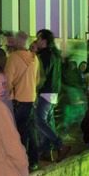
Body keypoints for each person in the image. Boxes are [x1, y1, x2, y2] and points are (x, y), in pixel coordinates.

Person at [33, 29, 71, 163]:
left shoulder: (45, 56)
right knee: (48, 121)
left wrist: (35, 89)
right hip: (54, 91)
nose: (36, 41)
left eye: (38, 39)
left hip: (46, 91)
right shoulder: (55, 54)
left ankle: (60, 145)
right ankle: (46, 151)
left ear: (44, 40)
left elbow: (42, 76)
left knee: (39, 120)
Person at [4, 31, 39, 171]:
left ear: (18, 42)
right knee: (31, 130)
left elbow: (7, 82)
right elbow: (36, 80)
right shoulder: (34, 58)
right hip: (31, 98)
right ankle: (34, 160)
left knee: (19, 133)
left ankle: (21, 162)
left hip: (17, 100)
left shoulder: (13, 58)